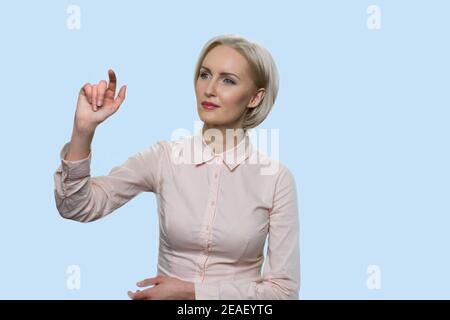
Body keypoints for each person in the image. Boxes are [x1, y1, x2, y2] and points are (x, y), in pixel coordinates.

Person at [53, 34, 300, 300]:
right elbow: (75, 207)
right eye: (205, 75)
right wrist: (83, 131)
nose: (210, 89)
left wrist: (193, 293)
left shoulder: (276, 179)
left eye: (228, 80)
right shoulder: (164, 158)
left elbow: (283, 293)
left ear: (254, 98)